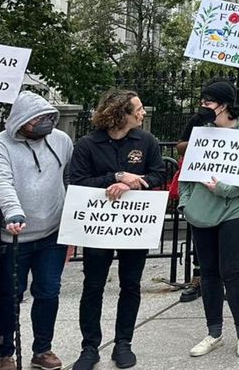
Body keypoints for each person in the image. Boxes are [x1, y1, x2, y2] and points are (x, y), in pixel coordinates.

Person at [67, 90, 167, 369]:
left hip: (131, 227)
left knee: (130, 284)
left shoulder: (146, 142)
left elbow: (159, 174)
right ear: (122, 113)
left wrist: (135, 182)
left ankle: (124, 343)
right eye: (138, 108)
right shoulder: (88, 144)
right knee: (93, 286)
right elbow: (78, 181)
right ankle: (89, 347)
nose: (143, 113)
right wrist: (115, 177)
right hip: (98, 228)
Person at [0, 91, 74, 370]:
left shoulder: (61, 141)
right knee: (10, 296)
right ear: (21, 120)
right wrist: (13, 210)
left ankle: (43, 349)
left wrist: (72, 227)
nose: (44, 123)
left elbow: (70, 178)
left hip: (52, 234)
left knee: (49, 292)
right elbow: (1, 182)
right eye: (37, 119)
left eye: (48, 117)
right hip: (13, 237)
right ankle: (5, 352)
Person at [180, 82, 239, 359]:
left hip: (235, 209)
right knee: (208, 272)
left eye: (209, 102)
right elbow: (188, 170)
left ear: (225, 104)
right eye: (202, 101)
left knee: (232, 270)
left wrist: (224, 190)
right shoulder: (200, 129)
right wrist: (185, 202)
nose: (204, 106)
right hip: (201, 210)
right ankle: (214, 331)